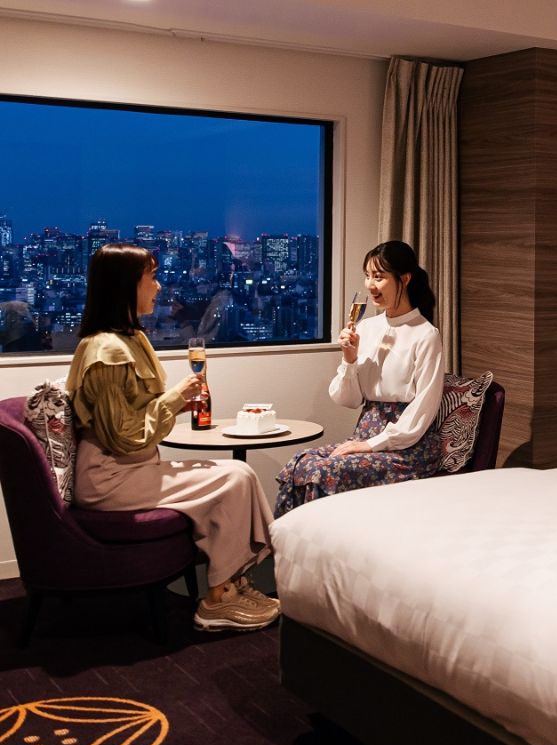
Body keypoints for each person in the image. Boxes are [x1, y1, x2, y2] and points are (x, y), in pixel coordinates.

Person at [66, 243, 279, 632]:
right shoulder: (105, 352)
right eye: (151, 277)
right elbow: (123, 436)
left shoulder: (131, 339)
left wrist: (176, 404)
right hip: (109, 478)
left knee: (238, 474)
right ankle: (217, 601)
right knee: (234, 478)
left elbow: (135, 414)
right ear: (126, 285)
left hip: (131, 469)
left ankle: (230, 583)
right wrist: (175, 398)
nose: (159, 286)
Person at [274, 241, 443, 516]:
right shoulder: (367, 327)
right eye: (367, 276)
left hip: (407, 445)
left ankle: (321, 540)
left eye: (379, 277)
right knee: (301, 462)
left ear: (404, 279)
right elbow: (348, 400)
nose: (370, 285)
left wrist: (369, 445)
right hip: (366, 433)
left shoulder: (425, 334)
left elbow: (424, 407)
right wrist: (349, 360)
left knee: (323, 471)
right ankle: (289, 540)